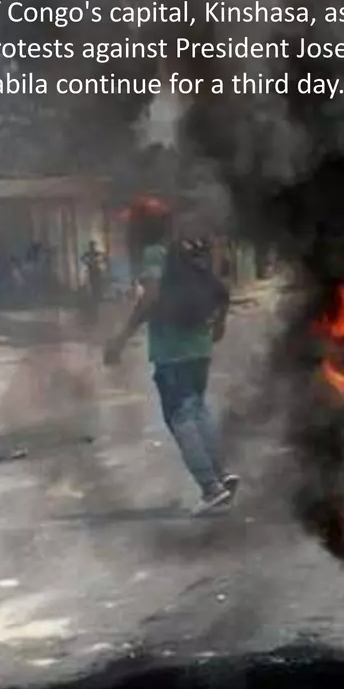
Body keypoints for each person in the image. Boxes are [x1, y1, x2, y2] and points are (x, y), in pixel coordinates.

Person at [105, 218, 239, 516]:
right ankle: (221, 473)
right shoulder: (197, 250)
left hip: (172, 350)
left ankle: (210, 487)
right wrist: (220, 323)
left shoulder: (157, 253)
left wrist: (121, 338)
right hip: (200, 346)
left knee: (179, 417)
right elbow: (222, 289)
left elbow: (150, 298)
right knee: (198, 409)